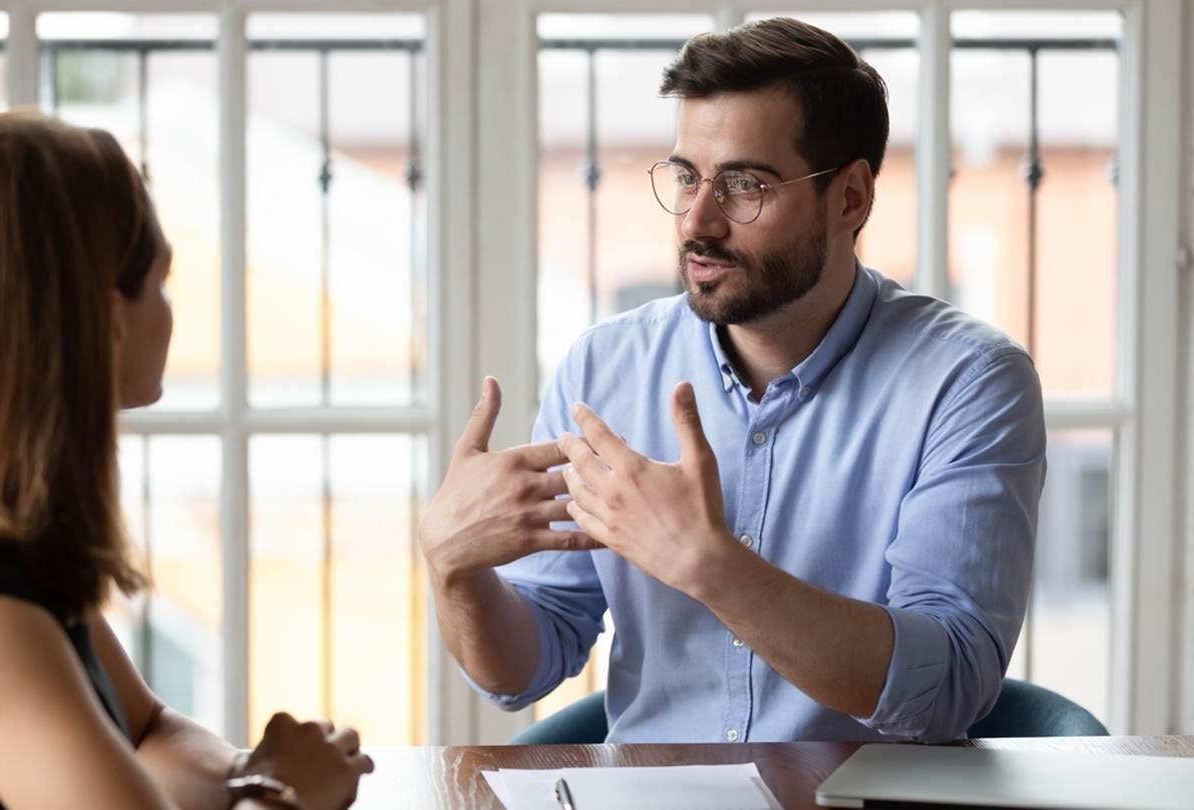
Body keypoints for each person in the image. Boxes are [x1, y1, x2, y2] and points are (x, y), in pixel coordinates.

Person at [419, 17, 1045, 744]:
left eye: (746, 184)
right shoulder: (605, 369)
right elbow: (529, 663)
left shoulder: (969, 382)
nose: (698, 221)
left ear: (850, 199)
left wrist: (710, 566)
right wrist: (454, 570)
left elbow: (949, 687)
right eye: (686, 176)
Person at [0, 111, 373, 810]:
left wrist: (251, 773)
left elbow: (146, 731)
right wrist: (288, 794)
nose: (170, 309)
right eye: (160, 281)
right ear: (105, 316)